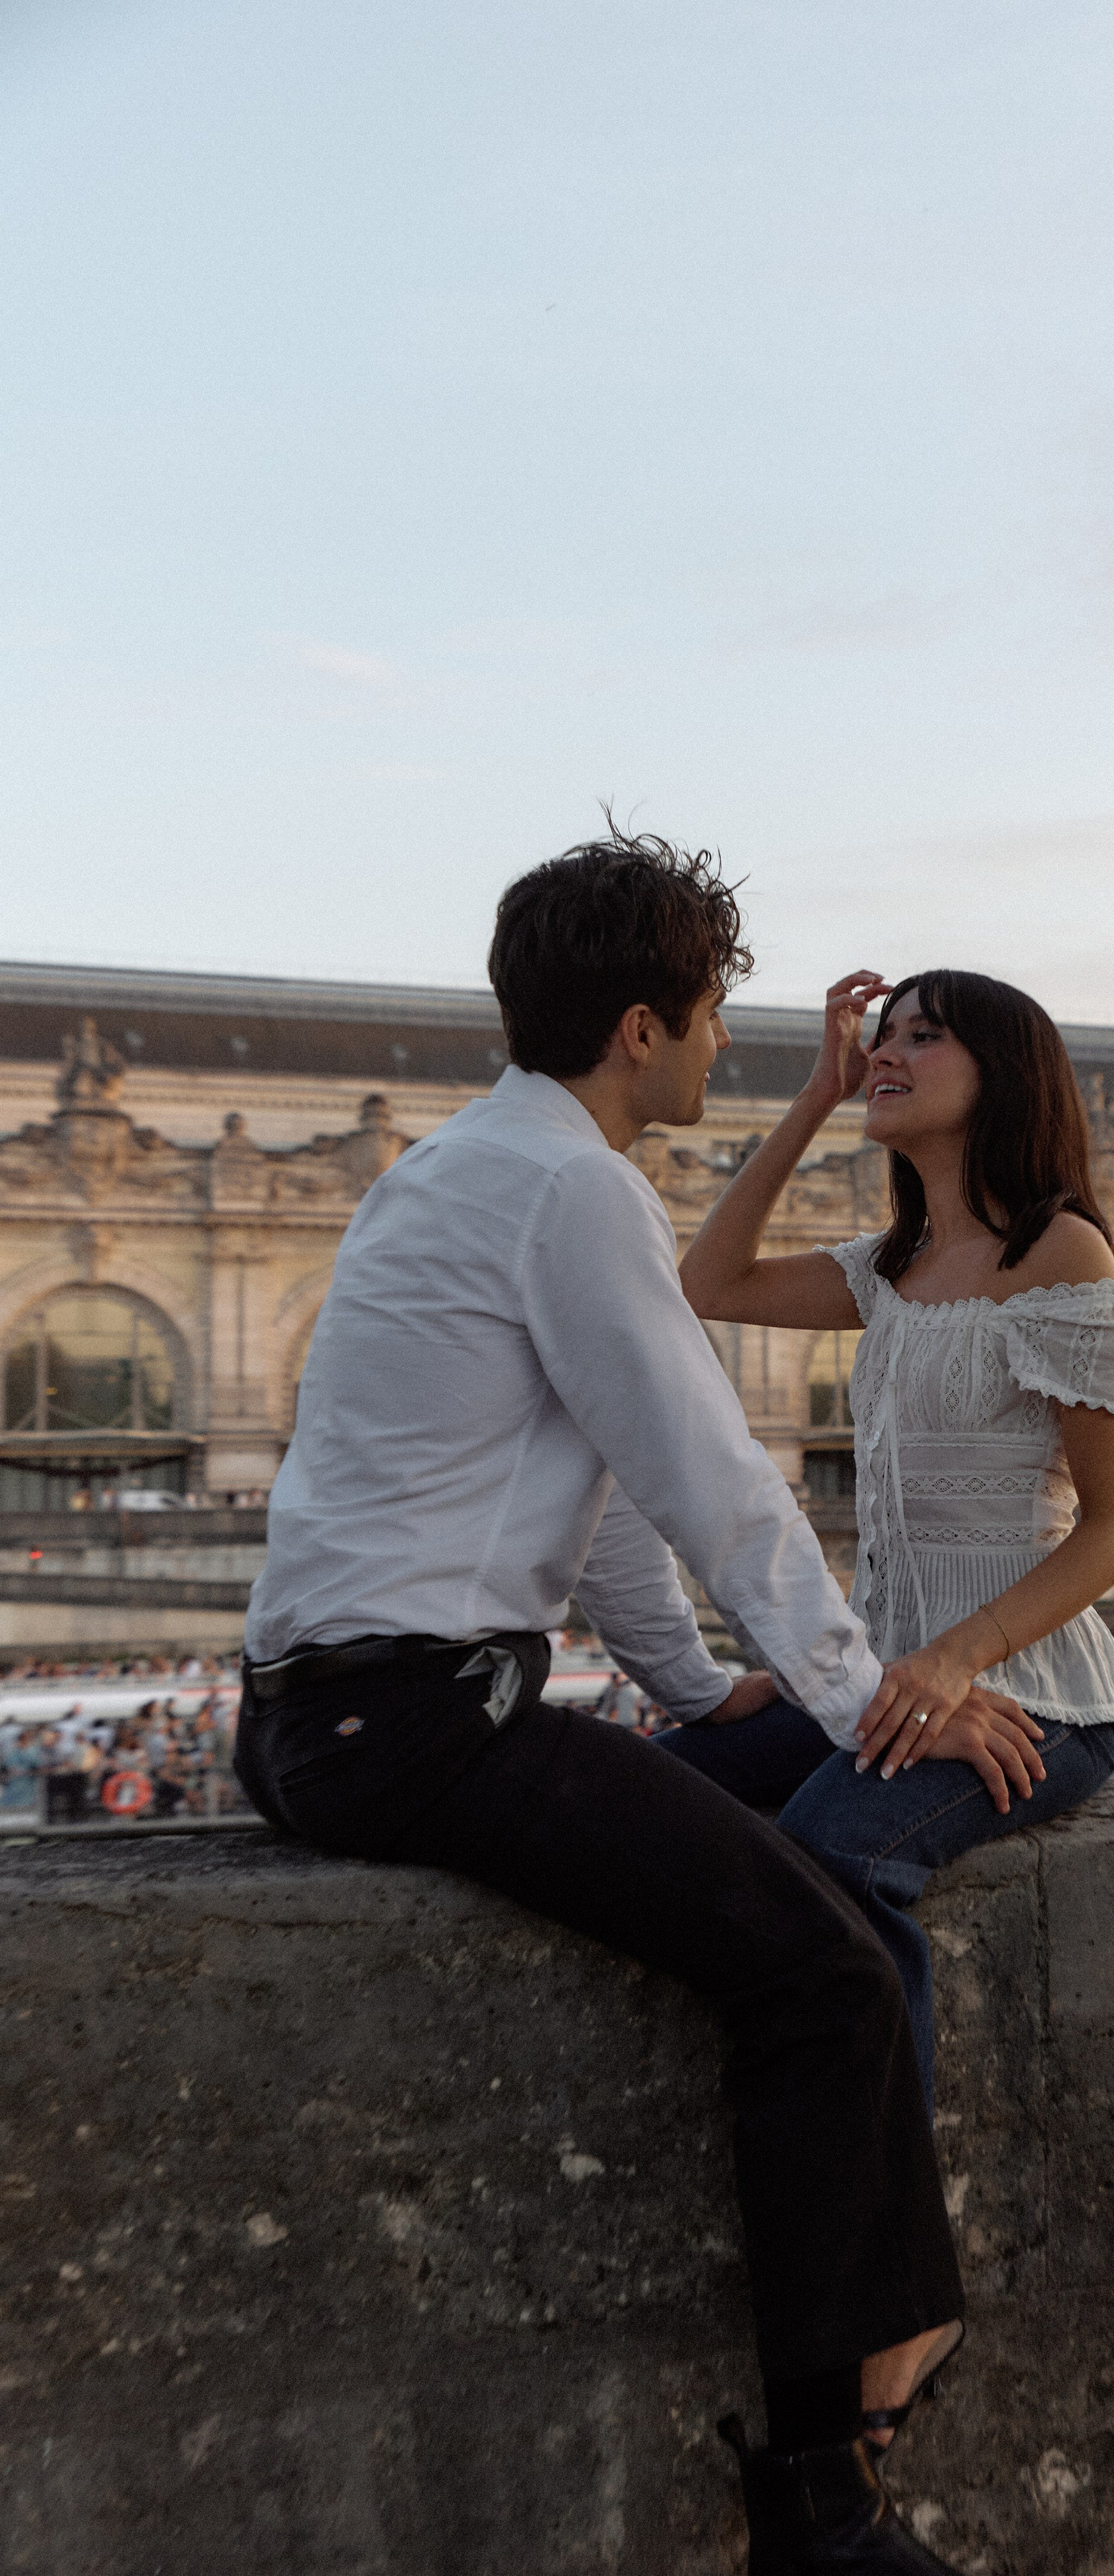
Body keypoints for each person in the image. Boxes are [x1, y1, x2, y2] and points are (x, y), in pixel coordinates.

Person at [235, 830, 991, 2575]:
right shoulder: (577, 1192)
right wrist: (871, 1699)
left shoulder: (455, 1167)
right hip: (417, 1724)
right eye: (714, 1014)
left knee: (768, 1870)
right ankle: (824, 2500)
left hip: (311, 1717)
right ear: (643, 1029)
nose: (722, 1046)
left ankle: (845, 2447)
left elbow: (602, 1489)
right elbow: (707, 1471)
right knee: (823, 1977)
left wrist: (697, 1692)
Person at [666, 967, 1114, 2106]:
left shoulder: (1062, 1256)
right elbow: (709, 1280)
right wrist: (816, 1096)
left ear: (1005, 1074)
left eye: (922, 1036)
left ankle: (881, 2169)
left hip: (1031, 1697)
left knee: (834, 1852)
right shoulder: (892, 1266)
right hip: (883, 1681)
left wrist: (952, 1660)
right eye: (882, 1035)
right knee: (656, 1791)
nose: (886, 1052)